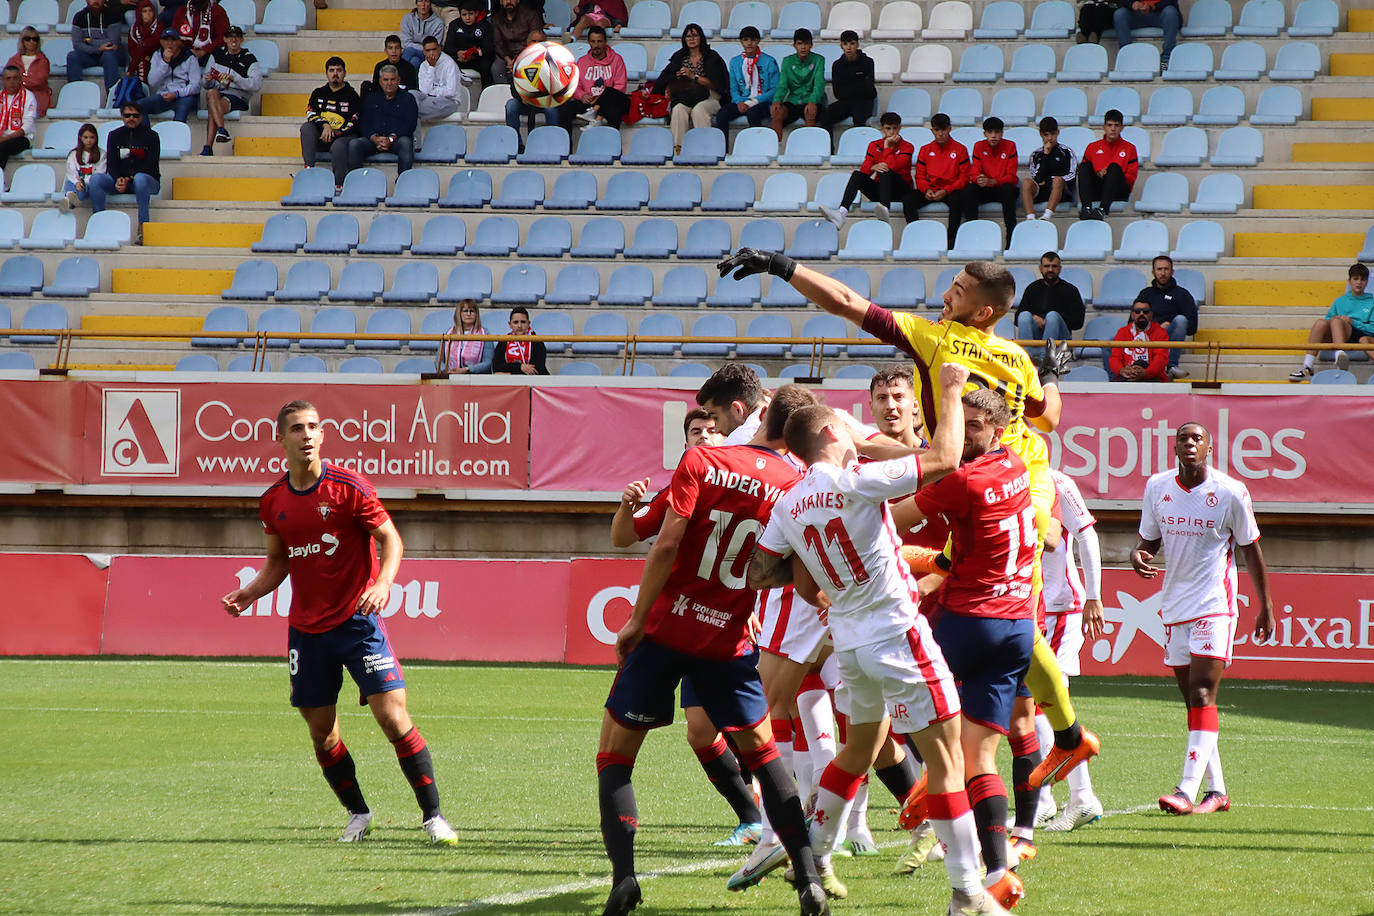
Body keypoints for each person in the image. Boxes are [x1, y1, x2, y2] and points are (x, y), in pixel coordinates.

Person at [716, 247, 1101, 818]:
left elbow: (847, 303)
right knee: (1006, 617)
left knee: (969, 603)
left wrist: (783, 267)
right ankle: (1052, 753)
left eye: (960, 290)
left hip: (980, 483)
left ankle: (966, 787)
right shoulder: (1017, 358)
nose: (948, 293)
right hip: (1017, 474)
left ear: (984, 312)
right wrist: (1049, 374)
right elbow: (1048, 416)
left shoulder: (938, 340)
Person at [750, 384, 1014, 916]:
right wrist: (951, 387)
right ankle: (967, 891)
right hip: (897, 634)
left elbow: (759, 571)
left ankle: (818, 857)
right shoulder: (856, 483)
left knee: (858, 750)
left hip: (848, 642)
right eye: (849, 429)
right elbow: (942, 457)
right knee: (946, 758)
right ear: (829, 433)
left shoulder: (788, 505)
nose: (858, 437)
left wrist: (814, 569)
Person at [596, 385, 831, 916]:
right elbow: (787, 573)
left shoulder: (704, 459)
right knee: (766, 756)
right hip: (728, 640)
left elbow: (667, 543)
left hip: (664, 634)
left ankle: (625, 880)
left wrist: (635, 620)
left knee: (615, 755)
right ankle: (808, 877)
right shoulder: (798, 485)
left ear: (763, 415)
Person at [221, 400, 460, 847]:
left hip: (357, 622)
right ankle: (358, 813)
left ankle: (433, 817)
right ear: (281, 439)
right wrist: (249, 593)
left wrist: (384, 582)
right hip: (307, 632)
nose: (306, 435)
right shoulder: (273, 501)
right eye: (296, 429)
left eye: (313, 427)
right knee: (321, 730)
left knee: (393, 717)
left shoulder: (349, 487)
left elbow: (390, 537)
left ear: (322, 434)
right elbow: (278, 562)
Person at [608, 410, 766, 850]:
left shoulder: (759, 488)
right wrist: (626, 508)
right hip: (682, 627)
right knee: (701, 731)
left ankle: (791, 815)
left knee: (765, 731)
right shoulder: (683, 485)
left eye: (712, 430)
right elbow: (624, 537)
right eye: (695, 432)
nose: (704, 436)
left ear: (731, 435)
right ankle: (756, 817)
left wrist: (754, 604)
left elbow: (776, 555)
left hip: (725, 629)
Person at [1132, 422, 1274, 816]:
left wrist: (1266, 605)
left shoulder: (1230, 491)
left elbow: (1251, 549)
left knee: (1201, 695)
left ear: (1209, 448)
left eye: (1198, 439)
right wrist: (1137, 554)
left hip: (1215, 605)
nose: (1190, 444)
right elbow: (1150, 539)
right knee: (1193, 703)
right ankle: (1218, 791)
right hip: (1174, 607)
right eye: (1184, 438)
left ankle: (1185, 790)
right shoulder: (1157, 487)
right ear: (1174, 447)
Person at [1036, 469, 1105, 833]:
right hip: (1027, 609)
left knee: (1048, 705)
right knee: (1030, 707)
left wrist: (1094, 594)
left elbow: (1086, 533)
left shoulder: (1055, 481)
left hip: (1060, 608)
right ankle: (1046, 801)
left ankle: (1082, 799)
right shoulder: (996, 471)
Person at [820, 111, 912, 227]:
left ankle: (885, 209)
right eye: (888, 128)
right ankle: (841, 213)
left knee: (885, 170)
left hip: (901, 190)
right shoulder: (874, 145)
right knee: (857, 175)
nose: (892, 132)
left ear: (900, 128)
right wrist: (874, 167)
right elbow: (865, 170)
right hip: (881, 189)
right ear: (882, 129)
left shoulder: (908, 146)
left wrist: (887, 147)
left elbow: (893, 166)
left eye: (895, 128)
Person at [653, 23, 728, 155]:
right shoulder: (679, 57)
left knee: (699, 110)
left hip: (710, 96)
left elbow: (716, 84)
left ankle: (704, 150)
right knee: (678, 110)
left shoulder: (711, 57)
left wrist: (693, 76)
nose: (691, 39)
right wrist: (674, 78)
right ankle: (679, 150)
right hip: (687, 96)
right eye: (688, 36)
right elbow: (664, 78)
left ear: (701, 38)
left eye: (695, 35)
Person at [88, 103, 160, 240]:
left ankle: (143, 226)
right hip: (120, 180)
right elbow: (112, 163)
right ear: (122, 117)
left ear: (141, 117)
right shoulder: (114, 136)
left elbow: (151, 165)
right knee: (96, 180)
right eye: (127, 115)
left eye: (135, 115)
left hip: (146, 182)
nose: (131, 118)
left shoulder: (152, 136)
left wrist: (128, 178)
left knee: (140, 178)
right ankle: (99, 222)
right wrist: (118, 178)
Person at [1290, 263, 1373, 381]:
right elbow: (1329, 321)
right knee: (1321, 323)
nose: (1359, 282)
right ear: (1349, 281)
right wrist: (1338, 321)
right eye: (1355, 279)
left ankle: (1340, 354)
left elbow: (1372, 329)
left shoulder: (1371, 302)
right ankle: (1307, 366)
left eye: (1362, 279)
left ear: (1366, 282)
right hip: (1339, 332)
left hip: (1359, 333)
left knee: (1336, 320)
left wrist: (1352, 321)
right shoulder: (1340, 301)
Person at [903, 112, 971, 250]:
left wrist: (946, 190)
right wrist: (926, 190)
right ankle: (916, 237)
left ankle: (951, 242)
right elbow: (920, 177)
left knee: (958, 200)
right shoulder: (925, 150)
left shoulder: (960, 149)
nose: (940, 134)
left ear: (949, 129)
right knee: (908, 199)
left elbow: (964, 178)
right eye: (937, 130)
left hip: (950, 189)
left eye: (943, 129)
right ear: (932, 130)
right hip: (931, 189)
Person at [300, 57, 363, 191]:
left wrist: (334, 133)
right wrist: (325, 126)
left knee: (339, 146)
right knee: (306, 128)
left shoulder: (353, 96)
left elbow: (354, 121)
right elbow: (311, 113)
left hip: (343, 137)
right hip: (322, 135)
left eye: (339, 70)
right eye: (332, 70)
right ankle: (308, 171)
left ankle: (338, 185)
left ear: (345, 73)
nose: (335, 74)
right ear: (326, 73)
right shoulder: (318, 93)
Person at [199, 25, 260, 156]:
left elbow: (256, 85)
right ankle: (221, 129)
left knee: (212, 106)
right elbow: (205, 84)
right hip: (217, 92)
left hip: (238, 96)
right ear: (225, 39)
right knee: (211, 93)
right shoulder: (217, 53)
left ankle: (208, 147)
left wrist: (235, 78)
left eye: (237, 37)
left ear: (242, 40)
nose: (234, 40)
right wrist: (208, 79)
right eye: (230, 37)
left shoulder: (249, 58)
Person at [349, 65, 419, 176]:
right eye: (386, 80)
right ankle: (356, 180)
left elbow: (410, 125)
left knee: (406, 143)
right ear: (380, 81)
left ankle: (403, 182)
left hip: (396, 140)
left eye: (392, 79)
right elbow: (363, 123)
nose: (389, 83)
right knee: (354, 144)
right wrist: (374, 138)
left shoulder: (408, 99)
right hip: (374, 140)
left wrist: (390, 139)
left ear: (398, 80)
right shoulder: (371, 98)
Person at [1135, 254, 1197, 380]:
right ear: (1153, 272)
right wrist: (1157, 327)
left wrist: (1170, 325)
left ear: (1172, 271)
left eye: (1166, 269)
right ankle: (1116, 379)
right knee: (1110, 342)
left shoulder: (1182, 294)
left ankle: (1171, 366)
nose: (1163, 273)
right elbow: (1133, 321)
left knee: (1180, 320)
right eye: (1159, 269)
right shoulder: (1145, 294)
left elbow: (1192, 327)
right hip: (1148, 336)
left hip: (1169, 336)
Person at [557, 26, 629, 129]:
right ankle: (567, 144)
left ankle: (612, 143)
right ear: (588, 42)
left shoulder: (617, 59)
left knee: (614, 112)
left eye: (599, 41)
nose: (596, 45)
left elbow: (620, 87)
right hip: (588, 102)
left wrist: (601, 100)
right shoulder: (582, 61)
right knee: (565, 110)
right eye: (593, 41)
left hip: (607, 103)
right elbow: (576, 85)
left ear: (605, 42)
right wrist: (582, 96)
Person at [713, 26, 777, 139]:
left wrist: (754, 102)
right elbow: (733, 88)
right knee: (722, 114)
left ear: (758, 41)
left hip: (762, 102)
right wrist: (739, 102)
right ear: (741, 42)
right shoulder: (735, 62)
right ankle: (723, 151)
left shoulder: (769, 61)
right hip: (742, 101)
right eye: (746, 40)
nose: (749, 43)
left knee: (753, 113)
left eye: (753, 40)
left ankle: (755, 149)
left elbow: (774, 89)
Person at [965, 117, 1020, 248]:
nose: (993, 136)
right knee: (968, 190)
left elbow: (1012, 177)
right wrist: (978, 179)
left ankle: (1011, 238)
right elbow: (973, 172)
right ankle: (971, 233)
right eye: (990, 132)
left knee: (1008, 189)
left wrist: (993, 181)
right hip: (986, 189)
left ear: (1002, 133)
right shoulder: (978, 146)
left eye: (997, 132)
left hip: (1002, 189)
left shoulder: (1010, 146)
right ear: (985, 134)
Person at [1076, 109, 1137, 221]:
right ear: (1104, 127)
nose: (1113, 129)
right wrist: (1098, 173)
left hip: (1118, 191)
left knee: (1114, 168)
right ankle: (1086, 208)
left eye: (1116, 125)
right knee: (1084, 166)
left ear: (1122, 128)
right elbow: (1085, 175)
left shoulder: (1130, 148)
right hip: (1098, 189)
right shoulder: (1092, 147)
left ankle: (1103, 209)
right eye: (1109, 125)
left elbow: (1131, 178)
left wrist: (1111, 174)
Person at [1015, 252, 1085, 344]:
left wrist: (1051, 321)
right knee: (1024, 316)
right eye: (1047, 266)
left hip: (1061, 338)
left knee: (1052, 316)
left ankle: (1046, 356)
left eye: (1054, 266)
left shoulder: (1070, 290)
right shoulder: (1032, 288)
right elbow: (1017, 318)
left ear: (1060, 269)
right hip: (1037, 333)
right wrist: (1035, 317)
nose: (1050, 270)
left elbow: (1078, 322)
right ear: (1040, 269)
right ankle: (1027, 355)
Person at [503, 29, 558, 145]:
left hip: (544, 101)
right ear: (528, 43)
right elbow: (514, 86)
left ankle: (553, 144)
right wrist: (523, 96)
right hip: (524, 102)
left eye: (540, 41)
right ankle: (516, 144)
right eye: (534, 41)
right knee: (511, 105)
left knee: (552, 109)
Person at [769, 28, 825, 139]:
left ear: (811, 45)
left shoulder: (819, 60)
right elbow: (782, 86)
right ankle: (774, 148)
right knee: (777, 112)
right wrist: (776, 101)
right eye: (800, 44)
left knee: (810, 111)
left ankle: (808, 147)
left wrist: (813, 101)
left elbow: (819, 85)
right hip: (793, 101)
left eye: (806, 43)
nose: (803, 47)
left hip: (811, 101)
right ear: (794, 45)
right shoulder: (787, 61)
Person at [1020, 116, 1076, 221]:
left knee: (1058, 180)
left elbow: (1072, 174)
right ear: (1041, 134)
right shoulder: (1036, 154)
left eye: (1053, 134)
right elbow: (1036, 178)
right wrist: (1045, 155)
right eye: (1046, 135)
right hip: (1042, 190)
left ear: (1058, 132)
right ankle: (1030, 217)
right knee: (1026, 182)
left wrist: (1052, 180)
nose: (1050, 138)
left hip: (1061, 191)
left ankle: (1047, 216)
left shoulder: (1067, 151)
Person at [141, 29, 201, 123]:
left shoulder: (190, 57)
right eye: (166, 40)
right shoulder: (157, 55)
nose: (170, 43)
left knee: (182, 109)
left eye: (173, 40)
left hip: (184, 96)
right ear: (161, 42)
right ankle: (147, 136)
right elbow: (152, 82)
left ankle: (177, 137)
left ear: (179, 42)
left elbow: (196, 86)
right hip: (164, 95)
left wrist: (177, 93)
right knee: (139, 106)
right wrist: (165, 62)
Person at [821, 30, 875, 133]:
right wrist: (858, 83)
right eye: (845, 44)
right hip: (846, 102)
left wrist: (848, 86)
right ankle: (829, 148)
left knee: (859, 118)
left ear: (857, 45)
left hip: (863, 102)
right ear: (841, 46)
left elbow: (869, 90)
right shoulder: (837, 65)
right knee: (824, 116)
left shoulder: (868, 62)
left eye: (852, 43)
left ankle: (860, 147)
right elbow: (838, 93)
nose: (849, 47)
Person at [68, 0, 127, 92]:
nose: (96, 1)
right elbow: (77, 44)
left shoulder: (113, 15)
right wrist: (98, 49)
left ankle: (112, 97)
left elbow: (112, 42)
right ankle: (75, 94)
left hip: (111, 54)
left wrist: (89, 41)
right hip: (91, 55)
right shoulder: (79, 17)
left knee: (109, 55)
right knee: (72, 56)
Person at [1108, 299, 1169, 381]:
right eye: (1137, 311)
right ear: (1132, 315)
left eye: (1145, 311)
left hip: (1152, 377)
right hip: (1127, 376)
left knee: (1141, 364)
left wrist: (1146, 373)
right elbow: (1115, 357)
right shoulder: (1122, 332)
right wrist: (1122, 370)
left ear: (1151, 314)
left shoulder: (1160, 332)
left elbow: (1160, 358)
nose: (1141, 314)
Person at [444, 0, 496, 89]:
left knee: (486, 66)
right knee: (446, 63)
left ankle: (486, 94)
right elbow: (448, 47)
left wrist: (474, 54)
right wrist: (457, 53)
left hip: (478, 60)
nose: (467, 18)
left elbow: (489, 49)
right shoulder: (454, 25)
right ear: (460, 14)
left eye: (470, 14)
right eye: (464, 15)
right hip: (459, 58)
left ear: (476, 13)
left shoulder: (485, 26)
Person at [1114, 0, 1181, 69]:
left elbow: (1171, 1)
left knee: (1170, 12)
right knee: (1120, 14)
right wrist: (1132, 3)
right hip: (1136, 14)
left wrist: (1153, 7)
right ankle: (1127, 58)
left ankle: (1166, 61)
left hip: (1160, 13)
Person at [490, 0, 542, 83]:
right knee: (496, 68)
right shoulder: (496, 18)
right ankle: (504, 95)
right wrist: (508, 60)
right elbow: (498, 43)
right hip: (505, 56)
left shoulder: (531, 15)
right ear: (501, 2)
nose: (509, 2)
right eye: (505, 0)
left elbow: (535, 41)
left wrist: (518, 59)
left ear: (518, 0)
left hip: (527, 54)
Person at [439, 299, 494, 373]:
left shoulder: (485, 333)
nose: (468, 314)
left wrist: (467, 369)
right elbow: (438, 359)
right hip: (450, 375)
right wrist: (446, 370)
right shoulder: (449, 332)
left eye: (472, 311)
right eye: (465, 311)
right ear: (459, 313)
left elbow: (488, 362)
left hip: (474, 378)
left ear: (476, 314)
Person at [415, 36, 462, 121]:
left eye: (434, 49)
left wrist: (433, 91)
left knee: (413, 111)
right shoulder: (424, 66)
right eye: (428, 51)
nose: (431, 53)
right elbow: (424, 90)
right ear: (424, 52)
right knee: (412, 94)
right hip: (430, 99)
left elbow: (451, 92)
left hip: (449, 102)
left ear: (439, 49)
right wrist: (431, 67)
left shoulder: (449, 63)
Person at [491, 306, 548, 374]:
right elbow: (496, 367)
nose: (519, 326)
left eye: (523, 322)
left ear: (528, 323)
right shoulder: (503, 341)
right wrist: (520, 367)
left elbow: (537, 369)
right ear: (510, 324)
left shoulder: (537, 342)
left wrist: (510, 372)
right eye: (516, 322)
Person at [62, 122, 106, 209]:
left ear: (96, 138)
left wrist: (83, 182)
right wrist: (77, 182)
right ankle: (71, 197)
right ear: (80, 138)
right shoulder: (74, 154)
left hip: (90, 185)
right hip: (77, 183)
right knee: (70, 182)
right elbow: (71, 171)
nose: (88, 140)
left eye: (92, 137)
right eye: (85, 137)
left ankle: (74, 199)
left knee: (92, 184)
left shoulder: (102, 154)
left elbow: (100, 173)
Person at [7, 28, 51, 116]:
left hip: (37, 99)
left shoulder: (43, 61)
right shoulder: (14, 60)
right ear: (22, 41)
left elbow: (39, 82)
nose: (31, 42)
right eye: (28, 39)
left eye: (34, 39)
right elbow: (8, 79)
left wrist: (19, 80)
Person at [0, 65, 36, 169]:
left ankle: (0, 181)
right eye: (8, 78)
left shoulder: (28, 96)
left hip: (23, 138)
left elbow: (27, 126)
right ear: (3, 80)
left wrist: (5, 138)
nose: (12, 82)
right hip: (2, 137)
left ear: (20, 79)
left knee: (2, 147)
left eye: (15, 78)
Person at [401, 0, 447, 71]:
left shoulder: (438, 23)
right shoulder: (407, 18)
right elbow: (406, 42)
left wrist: (424, 49)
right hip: (414, 52)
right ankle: (413, 81)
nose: (423, 4)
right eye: (420, 1)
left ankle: (402, 78)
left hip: (429, 53)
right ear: (416, 3)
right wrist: (422, 48)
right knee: (415, 61)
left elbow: (435, 46)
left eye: (426, 1)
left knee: (408, 51)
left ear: (430, 4)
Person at [127, 0, 163, 82]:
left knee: (142, 64)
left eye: (150, 11)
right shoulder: (134, 29)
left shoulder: (160, 26)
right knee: (142, 63)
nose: (148, 14)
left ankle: (140, 87)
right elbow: (132, 49)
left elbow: (152, 44)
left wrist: (132, 68)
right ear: (140, 13)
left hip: (155, 58)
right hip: (140, 59)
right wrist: (143, 56)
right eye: (145, 11)